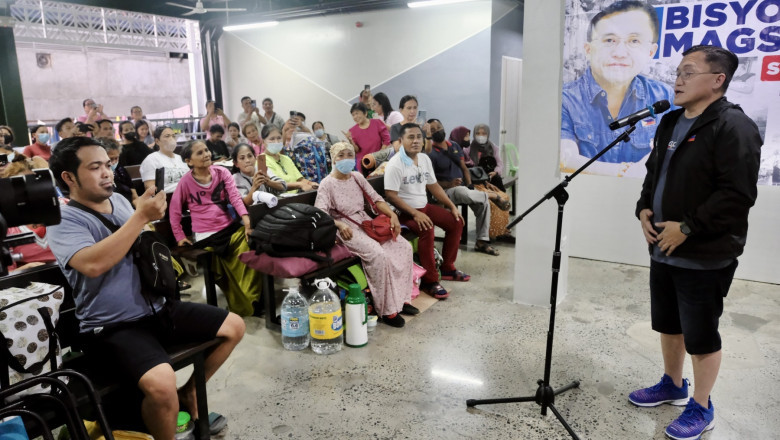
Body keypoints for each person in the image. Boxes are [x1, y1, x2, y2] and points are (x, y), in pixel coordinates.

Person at [47, 136, 244, 439]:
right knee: (162, 384)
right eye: (95, 167)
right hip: (113, 325)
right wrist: (141, 216)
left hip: (158, 308)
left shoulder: (122, 202)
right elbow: (92, 264)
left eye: (108, 165)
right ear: (69, 177)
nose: (106, 173)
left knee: (234, 326)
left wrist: (146, 217)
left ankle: (190, 393)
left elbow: (141, 245)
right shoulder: (63, 220)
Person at [630, 45, 762, 440]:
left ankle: (702, 406)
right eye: (678, 72)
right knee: (669, 325)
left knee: (701, 334)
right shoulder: (670, 121)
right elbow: (655, 173)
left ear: (718, 80)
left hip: (704, 254)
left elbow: (737, 195)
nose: (679, 80)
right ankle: (672, 383)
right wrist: (643, 210)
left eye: (689, 73)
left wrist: (686, 227)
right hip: (663, 248)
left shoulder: (734, 127)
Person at [560, 1, 675, 177]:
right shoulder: (565, 98)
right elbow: (565, 159)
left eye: (634, 41)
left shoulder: (664, 97)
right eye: (609, 40)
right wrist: (625, 172)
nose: (620, 53)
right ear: (588, 49)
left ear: (651, 52)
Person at [316, 142, 416, 327]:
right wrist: (337, 224)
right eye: (341, 155)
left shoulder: (356, 177)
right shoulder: (327, 184)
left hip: (364, 221)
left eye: (349, 154)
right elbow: (321, 213)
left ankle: (401, 301)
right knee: (378, 255)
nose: (346, 159)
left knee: (403, 247)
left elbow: (376, 199)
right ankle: (387, 310)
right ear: (333, 159)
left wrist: (392, 215)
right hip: (345, 228)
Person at [170, 140, 263, 317]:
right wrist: (179, 236)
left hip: (229, 228)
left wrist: (246, 220)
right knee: (220, 259)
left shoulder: (222, 172)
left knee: (252, 244)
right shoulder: (186, 182)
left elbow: (235, 198)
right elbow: (174, 210)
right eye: (199, 153)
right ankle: (244, 303)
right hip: (206, 236)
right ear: (189, 161)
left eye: (206, 150)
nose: (206, 154)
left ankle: (252, 299)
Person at [384, 123, 468, 300]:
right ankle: (430, 281)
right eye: (410, 137)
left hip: (424, 207)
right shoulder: (395, 164)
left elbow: (433, 185)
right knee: (426, 229)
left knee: (456, 221)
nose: (415, 141)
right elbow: (391, 195)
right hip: (405, 212)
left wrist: (452, 206)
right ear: (401, 140)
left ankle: (447, 267)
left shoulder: (424, 159)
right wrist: (415, 213)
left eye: (418, 137)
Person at [427, 119, 500, 256]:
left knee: (482, 203)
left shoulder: (454, 146)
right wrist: (448, 184)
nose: (437, 131)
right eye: (433, 130)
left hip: (462, 188)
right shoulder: (430, 152)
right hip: (445, 191)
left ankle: (481, 241)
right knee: (461, 191)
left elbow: (464, 168)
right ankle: (492, 196)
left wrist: (471, 185)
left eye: (439, 127)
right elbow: (430, 182)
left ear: (444, 127)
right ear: (429, 133)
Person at [261, 125, 318, 193]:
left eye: (279, 138)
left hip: (298, 196)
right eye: (272, 139)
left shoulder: (286, 158)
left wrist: (310, 183)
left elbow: (300, 179)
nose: (276, 142)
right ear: (263, 141)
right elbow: (275, 184)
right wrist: (300, 185)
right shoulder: (262, 160)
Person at [139, 126, 190, 194]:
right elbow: (151, 191)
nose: (171, 139)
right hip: (167, 199)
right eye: (167, 136)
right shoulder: (151, 160)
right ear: (157, 141)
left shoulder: (180, 158)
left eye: (173, 136)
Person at [344, 103, 390, 174]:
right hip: (364, 164)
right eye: (353, 115)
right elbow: (357, 150)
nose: (355, 117)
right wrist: (350, 141)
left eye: (357, 113)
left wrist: (379, 155)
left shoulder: (377, 123)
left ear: (365, 113)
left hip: (380, 160)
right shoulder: (352, 131)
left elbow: (386, 139)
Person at [465, 123, 506, 191]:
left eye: (484, 134)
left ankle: (501, 199)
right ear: (474, 135)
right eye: (477, 133)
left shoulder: (493, 148)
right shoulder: (468, 149)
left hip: (490, 176)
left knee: (497, 179)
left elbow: (500, 164)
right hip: (475, 178)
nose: (480, 136)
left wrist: (495, 172)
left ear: (488, 134)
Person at [103, 138, 137, 206]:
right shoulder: (102, 177)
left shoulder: (120, 170)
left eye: (116, 158)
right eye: (111, 159)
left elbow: (134, 195)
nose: (114, 162)